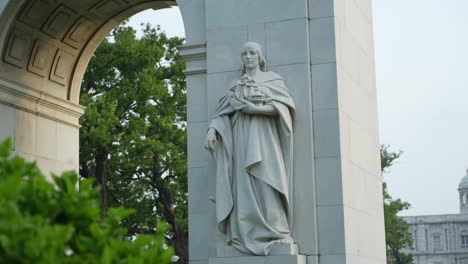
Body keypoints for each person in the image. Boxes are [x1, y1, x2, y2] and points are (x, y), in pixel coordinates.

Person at [204, 42, 296, 255]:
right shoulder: (235, 85)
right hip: (241, 139)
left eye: (252, 53)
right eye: (244, 53)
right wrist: (211, 130)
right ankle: (243, 233)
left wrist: (255, 109)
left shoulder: (273, 80)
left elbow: (283, 107)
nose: (248, 57)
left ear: (260, 56)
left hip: (265, 139)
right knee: (243, 186)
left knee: (268, 181)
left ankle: (277, 231)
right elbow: (221, 113)